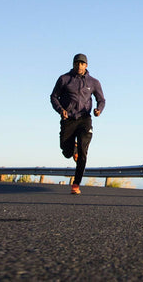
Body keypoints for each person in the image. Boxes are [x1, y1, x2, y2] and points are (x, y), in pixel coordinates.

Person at [50, 53, 105, 194]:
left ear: (86, 65)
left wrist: (99, 109)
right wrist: (61, 110)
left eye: (82, 63)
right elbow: (53, 97)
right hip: (68, 119)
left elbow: (101, 99)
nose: (79, 66)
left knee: (83, 150)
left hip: (84, 119)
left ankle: (76, 184)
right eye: (77, 63)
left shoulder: (93, 82)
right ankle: (71, 149)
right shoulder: (64, 79)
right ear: (73, 64)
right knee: (66, 151)